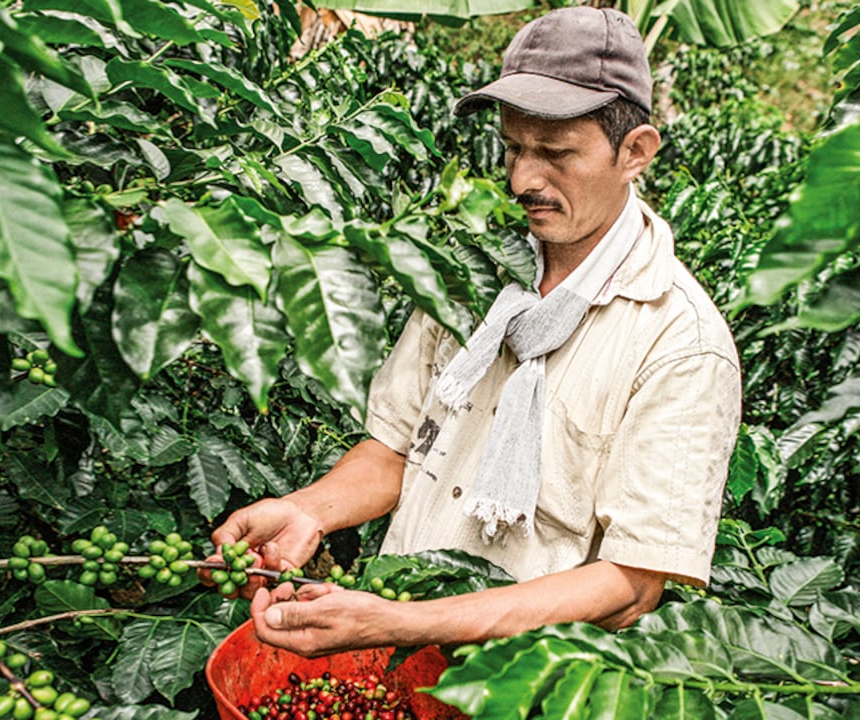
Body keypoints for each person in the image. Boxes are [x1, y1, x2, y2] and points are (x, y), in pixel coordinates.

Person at [205, 6, 741, 657]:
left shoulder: (680, 342)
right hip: (396, 650)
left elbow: (630, 582)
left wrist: (406, 622)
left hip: (520, 683)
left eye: (556, 154)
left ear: (636, 152)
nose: (522, 179)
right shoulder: (476, 273)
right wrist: (310, 511)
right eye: (513, 147)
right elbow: (401, 446)